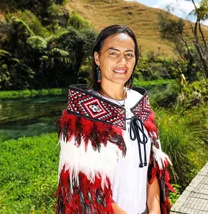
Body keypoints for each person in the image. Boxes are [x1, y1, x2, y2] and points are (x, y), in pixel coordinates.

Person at [55, 25, 174, 214]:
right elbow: (85, 192)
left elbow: (151, 168)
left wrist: (154, 210)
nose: (122, 61)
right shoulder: (81, 114)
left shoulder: (139, 103)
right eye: (113, 53)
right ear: (97, 58)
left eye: (129, 54)